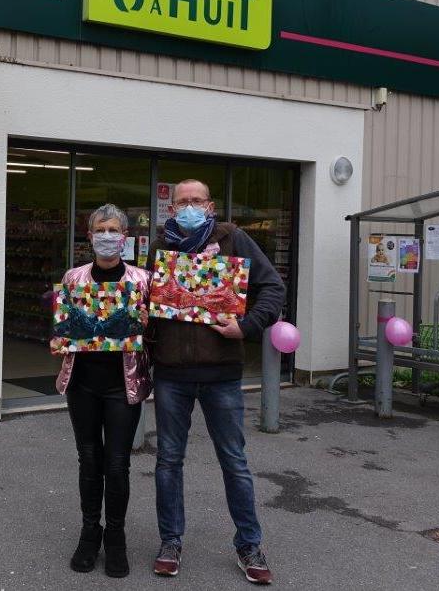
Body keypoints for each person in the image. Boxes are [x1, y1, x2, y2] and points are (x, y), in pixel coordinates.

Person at [147, 179, 286, 585]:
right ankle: (170, 541)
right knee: (168, 461)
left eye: (196, 201)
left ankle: (249, 544)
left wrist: (246, 326)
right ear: (171, 209)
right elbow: (145, 301)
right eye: (182, 202)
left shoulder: (234, 239)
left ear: (209, 206)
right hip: (172, 373)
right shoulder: (161, 249)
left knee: (234, 462)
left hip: (221, 374)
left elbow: (272, 287)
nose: (189, 207)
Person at [51, 204, 151, 578]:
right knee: (89, 459)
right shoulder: (74, 278)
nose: (107, 236)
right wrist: (59, 339)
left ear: (124, 236)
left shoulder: (143, 280)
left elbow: (156, 328)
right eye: (100, 229)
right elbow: (64, 328)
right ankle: (89, 532)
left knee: (118, 464)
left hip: (123, 383)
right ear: (89, 235)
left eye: (113, 229)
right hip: (83, 383)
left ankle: (117, 538)